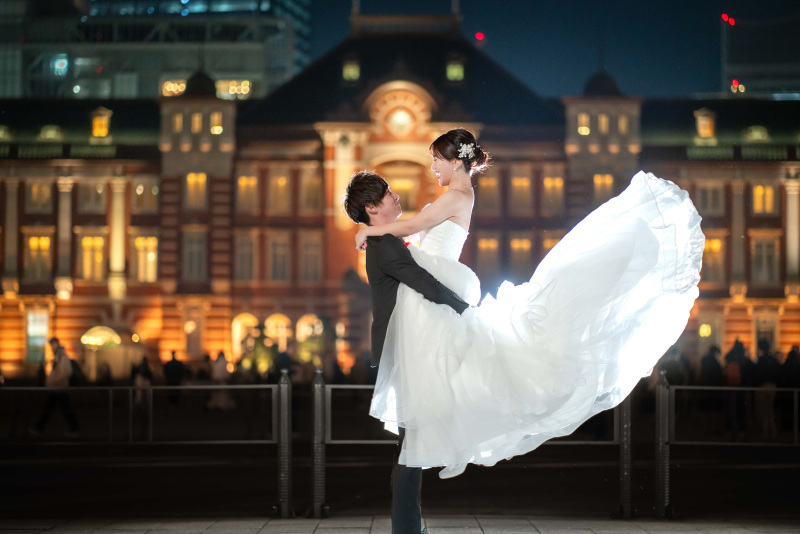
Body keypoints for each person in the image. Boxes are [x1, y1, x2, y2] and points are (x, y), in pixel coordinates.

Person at [352, 128, 704, 479]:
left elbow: (412, 225)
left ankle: (428, 454)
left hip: (441, 279)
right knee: (458, 367)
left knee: (453, 369)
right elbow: (414, 233)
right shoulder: (454, 195)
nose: (432, 168)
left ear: (456, 162)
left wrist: (369, 231)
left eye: (436, 160)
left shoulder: (457, 195)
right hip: (437, 276)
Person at [343, 170, 471, 534]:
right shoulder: (386, 246)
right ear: (372, 207)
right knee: (410, 445)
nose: (396, 196)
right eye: (387, 194)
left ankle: (409, 527)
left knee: (411, 442)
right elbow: (425, 284)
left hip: (406, 348)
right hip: (404, 352)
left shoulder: (387, 241)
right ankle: (406, 528)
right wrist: (466, 311)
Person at [30, 337, 80, 437]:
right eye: (51, 345)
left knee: (55, 409)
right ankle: (39, 428)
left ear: (57, 344)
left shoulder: (62, 357)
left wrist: (53, 382)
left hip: (59, 388)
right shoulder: (58, 356)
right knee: (55, 409)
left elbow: (66, 372)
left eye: (53, 344)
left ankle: (39, 428)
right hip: (57, 388)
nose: (52, 347)